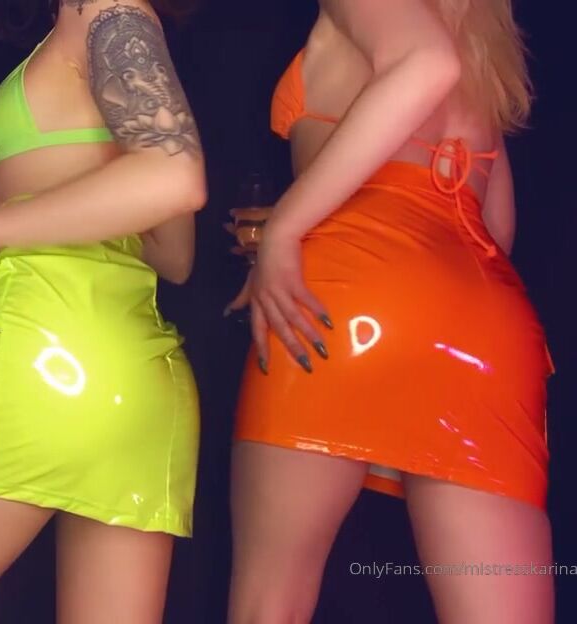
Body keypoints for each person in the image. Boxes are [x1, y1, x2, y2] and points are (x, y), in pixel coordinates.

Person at [226, 1, 552, 622]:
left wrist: (287, 228)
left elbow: (425, 64)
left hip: (350, 292)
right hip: (484, 319)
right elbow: (495, 228)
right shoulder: (480, 32)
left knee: (273, 600)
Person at [0, 1, 206, 622]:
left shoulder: (107, 10)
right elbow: (174, 256)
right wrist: (25, 182)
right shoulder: (99, 23)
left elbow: (176, 178)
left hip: (37, 352)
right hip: (138, 380)